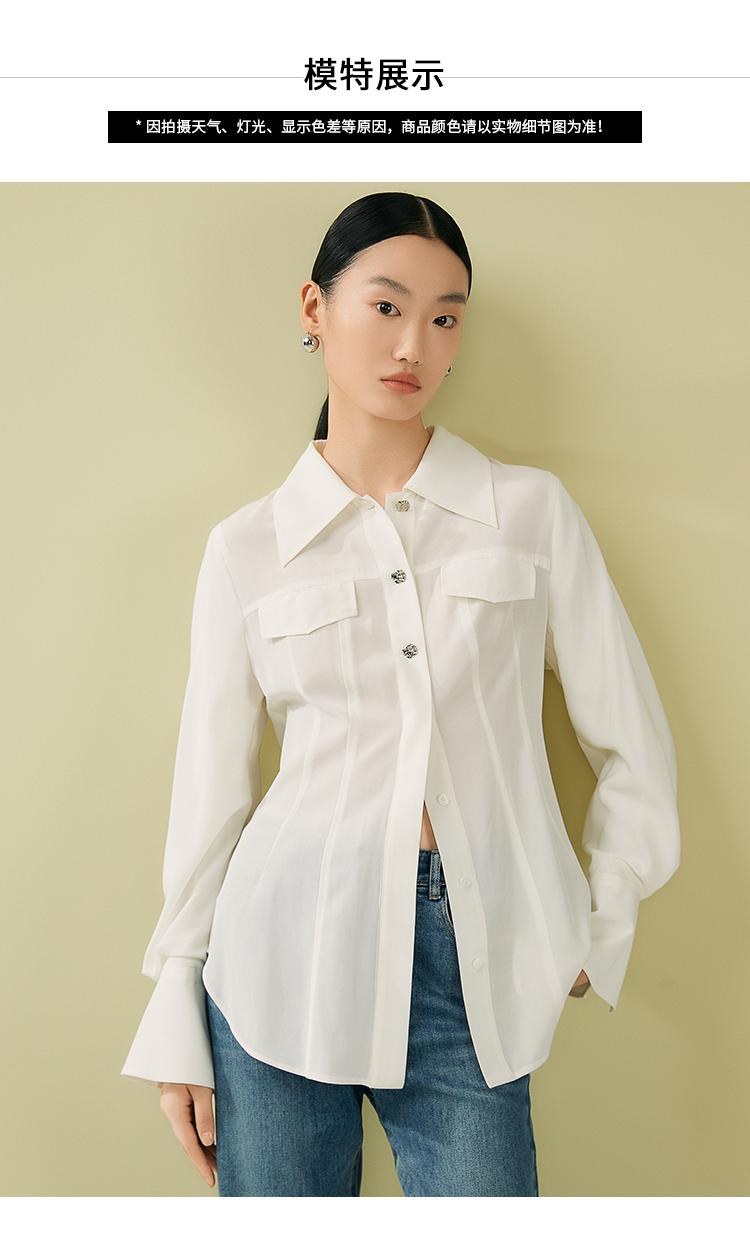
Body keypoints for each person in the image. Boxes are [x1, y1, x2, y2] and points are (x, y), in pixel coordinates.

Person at [122, 192, 680, 1197]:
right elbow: (211, 792)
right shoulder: (247, 547)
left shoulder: (529, 513)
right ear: (314, 308)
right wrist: (175, 1007)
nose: (413, 344)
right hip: (278, 955)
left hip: (478, 960)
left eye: (444, 316)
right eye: (385, 306)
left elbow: (632, 740)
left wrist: (605, 918)